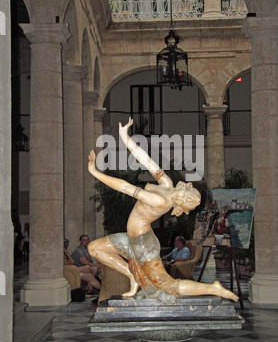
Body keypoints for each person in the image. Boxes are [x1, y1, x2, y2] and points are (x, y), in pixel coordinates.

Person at [87, 118, 238, 304]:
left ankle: (213, 288)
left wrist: (95, 172)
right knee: (94, 248)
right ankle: (132, 275)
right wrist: (125, 137)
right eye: (187, 195)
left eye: (187, 202)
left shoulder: (160, 201)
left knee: (170, 286)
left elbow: (124, 187)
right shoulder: (166, 184)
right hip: (133, 238)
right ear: (184, 188)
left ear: (181, 207)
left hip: (143, 245)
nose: (183, 197)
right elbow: (146, 160)